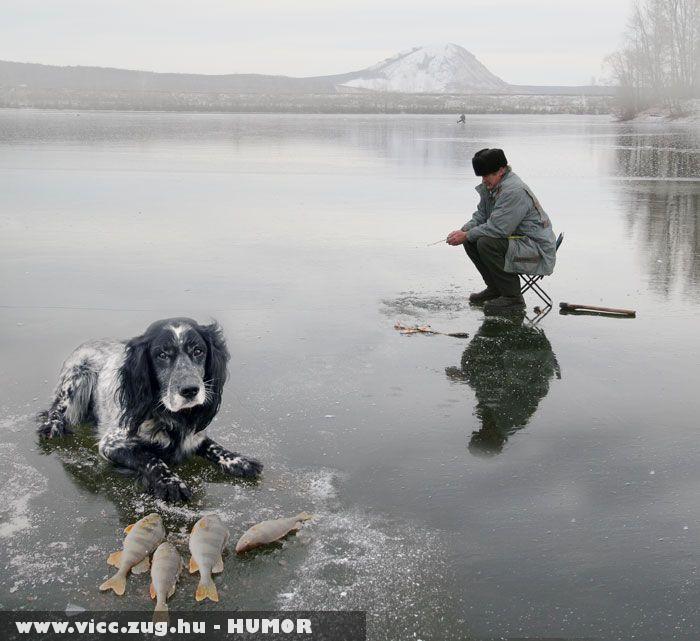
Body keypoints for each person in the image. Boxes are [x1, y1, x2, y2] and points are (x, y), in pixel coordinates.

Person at [446, 148, 557, 314]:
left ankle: (513, 298)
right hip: (519, 243)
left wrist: (467, 235)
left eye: (487, 175)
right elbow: (482, 216)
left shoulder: (513, 191)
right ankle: (495, 288)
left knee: (485, 242)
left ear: (501, 170)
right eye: (481, 176)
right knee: (471, 240)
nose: (484, 180)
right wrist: (464, 230)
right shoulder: (492, 187)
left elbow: (498, 229)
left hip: (537, 252)